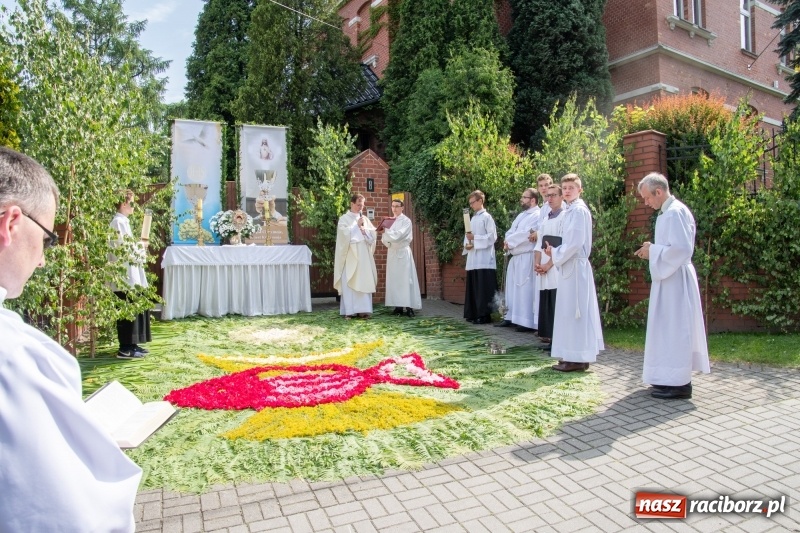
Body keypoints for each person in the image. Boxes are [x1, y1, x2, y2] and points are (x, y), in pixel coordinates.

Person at [0, 146, 142, 531]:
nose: (44, 259)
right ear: (11, 223)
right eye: (47, 238)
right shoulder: (18, 356)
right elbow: (69, 514)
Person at [635, 172, 710, 399]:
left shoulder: (675, 212)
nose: (646, 203)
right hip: (668, 279)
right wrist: (653, 247)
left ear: (659, 191)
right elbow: (672, 245)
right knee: (666, 329)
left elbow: (682, 249)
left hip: (676, 279)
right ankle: (667, 379)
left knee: (676, 329)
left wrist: (654, 251)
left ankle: (680, 384)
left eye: (647, 198)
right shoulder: (667, 213)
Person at [544, 174, 604, 371]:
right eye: (565, 187)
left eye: (571, 187)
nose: (567, 190)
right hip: (570, 265)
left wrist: (556, 252)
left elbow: (576, 243)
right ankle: (572, 355)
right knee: (568, 312)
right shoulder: (570, 210)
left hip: (576, 267)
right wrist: (554, 250)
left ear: (580, 190)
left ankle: (577, 358)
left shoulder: (578, 211)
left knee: (576, 312)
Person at [110, 190, 151, 359]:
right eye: (132, 202)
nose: (135, 206)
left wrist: (140, 245)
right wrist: (141, 246)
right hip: (124, 274)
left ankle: (132, 344)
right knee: (127, 309)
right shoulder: (118, 222)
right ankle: (125, 348)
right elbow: (124, 248)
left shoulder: (123, 221)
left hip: (131, 272)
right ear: (124, 203)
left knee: (134, 308)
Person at [495, 188, 540, 332]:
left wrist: (511, 242)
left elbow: (527, 234)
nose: (522, 199)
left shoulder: (537, 215)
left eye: (524, 197)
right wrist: (508, 240)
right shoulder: (521, 215)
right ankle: (510, 317)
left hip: (526, 256)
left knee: (524, 289)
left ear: (532, 200)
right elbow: (511, 231)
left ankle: (525, 321)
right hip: (515, 256)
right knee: (513, 289)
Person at [334, 193, 377, 319]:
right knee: (350, 280)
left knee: (363, 280)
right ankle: (350, 311)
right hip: (351, 254)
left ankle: (363, 310)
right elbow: (343, 236)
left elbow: (372, 238)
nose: (360, 208)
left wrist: (366, 233)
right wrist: (356, 226)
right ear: (351, 204)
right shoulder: (344, 219)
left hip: (363, 254)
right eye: (358, 205)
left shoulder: (365, 220)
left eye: (362, 206)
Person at [534, 184, 566, 346]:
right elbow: (539, 243)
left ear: (562, 197)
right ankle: (549, 338)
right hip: (543, 268)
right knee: (546, 301)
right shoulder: (546, 218)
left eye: (554, 195)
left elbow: (563, 245)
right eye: (548, 196)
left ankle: (558, 341)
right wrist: (537, 263)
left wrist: (548, 265)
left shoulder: (564, 217)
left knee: (556, 302)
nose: (550, 198)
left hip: (556, 267)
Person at [379, 199, 422, 317]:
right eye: (393, 206)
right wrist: (385, 235)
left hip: (403, 252)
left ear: (402, 207)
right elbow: (385, 240)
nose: (394, 209)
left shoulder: (406, 221)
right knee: (394, 280)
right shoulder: (389, 221)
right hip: (392, 252)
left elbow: (399, 235)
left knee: (405, 280)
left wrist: (386, 233)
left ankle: (409, 307)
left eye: (397, 206)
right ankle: (398, 306)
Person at [463, 190, 497, 324]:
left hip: (484, 259)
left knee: (483, 288)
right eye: (470, 203)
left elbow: (492, 237)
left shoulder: (487, 217)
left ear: (480, 201)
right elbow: (467, 235)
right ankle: (474, 313)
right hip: (473, 258)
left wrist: (475, 239)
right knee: (474, 287)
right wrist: (467, 243)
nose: (471, 205)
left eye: (472, 202)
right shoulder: (473, 218)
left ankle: (484, 315)